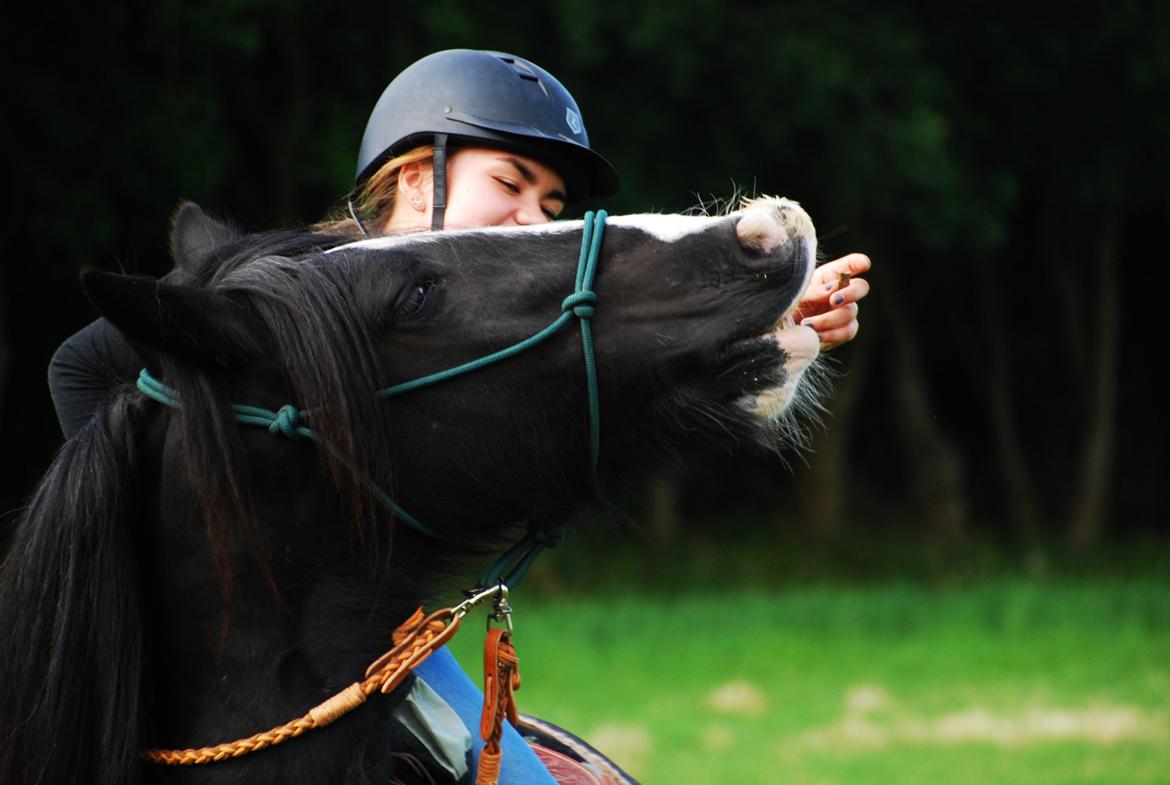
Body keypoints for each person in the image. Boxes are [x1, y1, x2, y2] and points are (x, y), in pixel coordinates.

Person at [47, 49, 870, 783]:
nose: (530, 217)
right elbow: (82, 363)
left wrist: (770, 321)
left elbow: (627, 368)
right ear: (414, 177)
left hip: (389, 640)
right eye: (508, 183)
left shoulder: (512, 326)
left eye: (547, 202)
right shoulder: (300, 285)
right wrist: (128, 561)